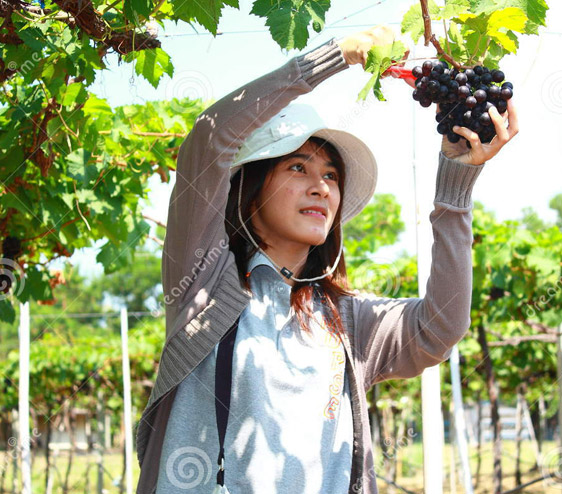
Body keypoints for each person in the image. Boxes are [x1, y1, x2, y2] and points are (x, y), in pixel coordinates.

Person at [135, 25, 518, 494]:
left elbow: (440, 329)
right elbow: (209, 140)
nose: (321, 186)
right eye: (297, 167)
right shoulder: (205, 282)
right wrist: (332, 57)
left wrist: (456, 184)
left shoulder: (347, 319)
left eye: (331, 175)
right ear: (251, 188)